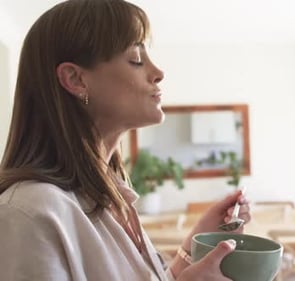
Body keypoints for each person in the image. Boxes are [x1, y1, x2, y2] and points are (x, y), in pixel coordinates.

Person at [0, 0, 251, 280]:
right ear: (75, 79)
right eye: (135, 58)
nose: (158, 73)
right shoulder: (27, 212)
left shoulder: (112, 197)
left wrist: (195, 244)